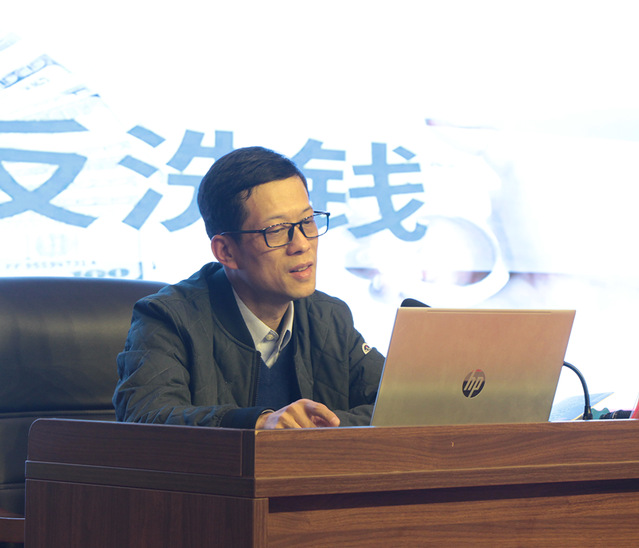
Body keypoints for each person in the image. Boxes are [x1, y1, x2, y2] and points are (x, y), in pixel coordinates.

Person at [113, 146, 384, 429]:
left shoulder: (329, 317)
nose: (302, 244)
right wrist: (259, 424)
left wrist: (309, 431)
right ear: (226, 251)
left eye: (307, 221)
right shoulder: (168, 319)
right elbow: (147, 418)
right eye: (276, 230)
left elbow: (398, 404)